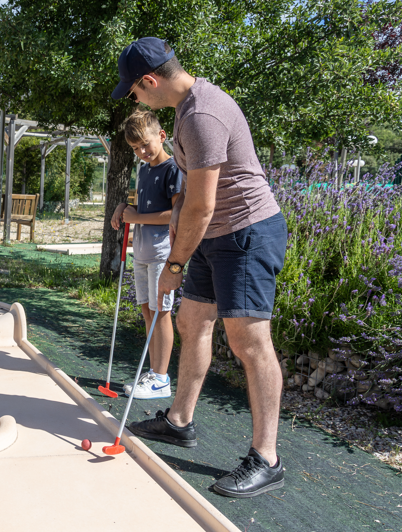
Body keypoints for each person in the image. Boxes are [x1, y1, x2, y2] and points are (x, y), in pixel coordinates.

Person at [111, 37, 287, 498]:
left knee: (249, 342)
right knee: (192, 322)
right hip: (214, 234)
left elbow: (204, 205)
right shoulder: (184, 109)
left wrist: (174, 264)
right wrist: (176, 216)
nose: (135, 98)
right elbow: (191, 191)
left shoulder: (202, 114)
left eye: (134, 90)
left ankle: (267, 458)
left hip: (245, 233)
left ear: (150, 80)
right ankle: (179, 421)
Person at [110, 108, 182, 399]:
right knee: (148, 312)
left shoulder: (173, 169)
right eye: (135, 148)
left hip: (162, 253)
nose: (141, 152)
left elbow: (174, 214)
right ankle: (153, 373)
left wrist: (136, 217)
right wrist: (122, 208)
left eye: (145, 144)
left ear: (161, 136)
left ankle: (161, 378)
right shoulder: (144, 169)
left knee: (161, 313)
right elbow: (143, 206)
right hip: (141, 252)